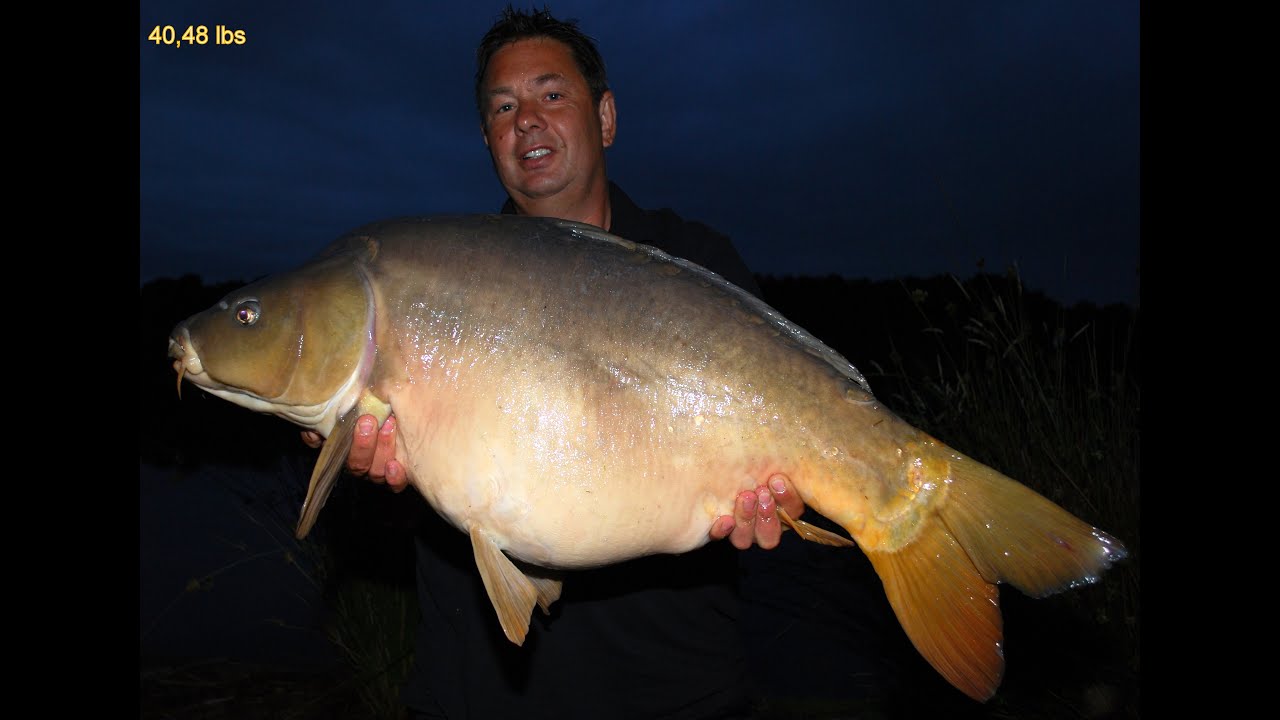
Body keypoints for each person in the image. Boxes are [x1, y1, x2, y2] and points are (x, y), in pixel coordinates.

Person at [304, 7, 810, 718]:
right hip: (480, 694)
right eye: (503, 108)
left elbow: (775, 473)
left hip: (677, 690)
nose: (526, 121)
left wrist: (777, 506)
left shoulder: (698, 264)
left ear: (605, 117)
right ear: (487, 139)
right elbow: (394, 527)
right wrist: (376, 484)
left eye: (550, 95)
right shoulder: (430, 284)